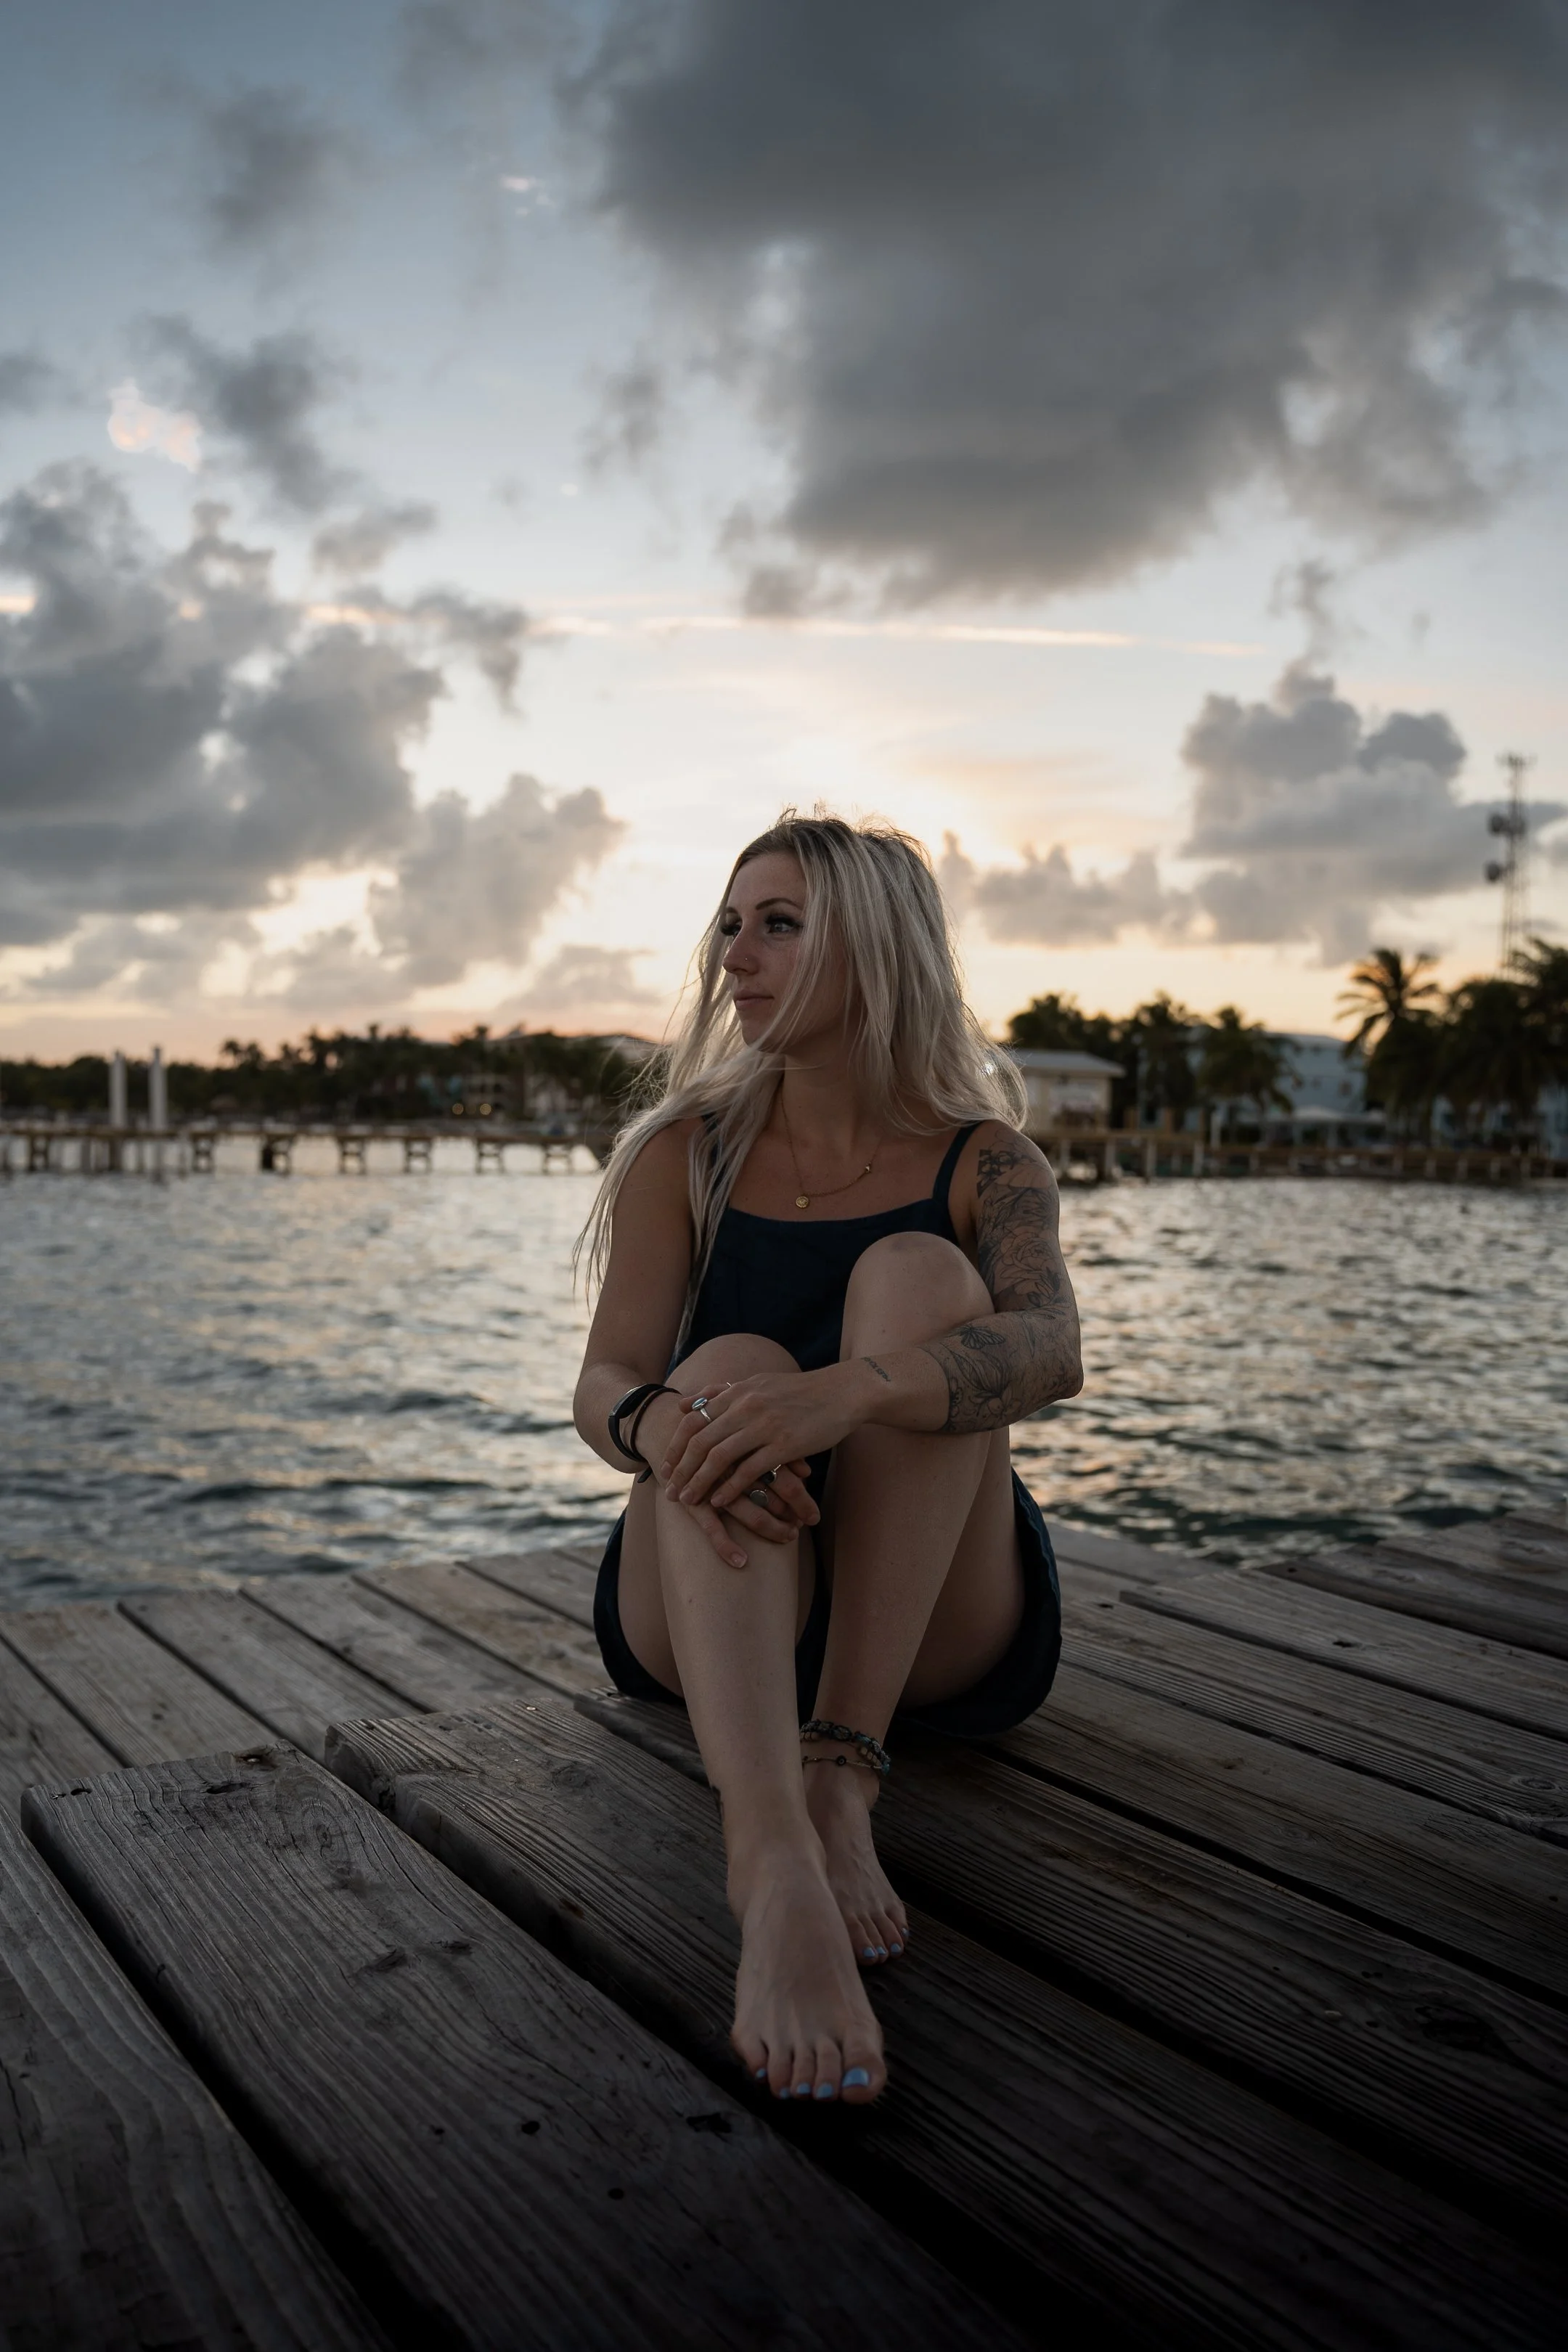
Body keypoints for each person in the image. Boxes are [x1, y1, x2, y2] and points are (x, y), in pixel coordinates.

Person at [573, 811, 1082, 2108]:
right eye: (730, 926)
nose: (734, 956)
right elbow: (605, 1381)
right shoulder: (685, 1152)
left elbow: (1050, 1348)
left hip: (923, 1629)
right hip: (716, 1612)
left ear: (879, 950)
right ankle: (772, 1861)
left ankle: (842, 1776)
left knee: (919, 1278)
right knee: (727, 1363)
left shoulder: (987, 1161)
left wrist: (841, 1398)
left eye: (780, 925)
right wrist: (674, 1424)